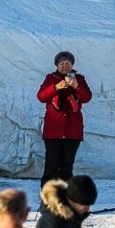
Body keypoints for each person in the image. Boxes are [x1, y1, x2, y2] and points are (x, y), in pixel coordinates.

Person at [36, 51, 92, 186]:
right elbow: (41, 96)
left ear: (72, 65)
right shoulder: (50, 78)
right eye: (62, 63)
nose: (65, 66)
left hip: (72, 130)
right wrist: (55, 88)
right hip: (53, 130)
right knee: (51, 164)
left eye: (68, 63)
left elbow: (87, 97)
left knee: (67, 165)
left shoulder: (79, 79)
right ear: (57, 65)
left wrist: (76, 86)